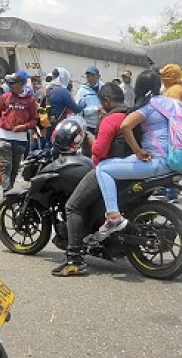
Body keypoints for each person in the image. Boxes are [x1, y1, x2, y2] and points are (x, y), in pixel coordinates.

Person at [52, 83, 131, 277]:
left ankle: (74, 259)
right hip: (129, 169)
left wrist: (91, 141)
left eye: (102, 102)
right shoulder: (130, 115)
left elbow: (99, 151)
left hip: (107, 170)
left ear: (106, 101)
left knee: (72, 206)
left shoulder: (111, 119)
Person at [94, 71, 180, 239]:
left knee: (104, 169)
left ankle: (113, 217)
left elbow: (125, 126)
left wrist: (138, 151)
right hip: (175, 160)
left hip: (156, 161)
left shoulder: (149, 107)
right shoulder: (174, 104)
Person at [0, 73, 39, 192]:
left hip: (20, 139)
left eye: (12, 83)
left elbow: (34, 120)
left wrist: (23, 126)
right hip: (3, 136)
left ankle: (9, 192)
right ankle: (7, 193)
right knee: (6, 167)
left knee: (15, 169)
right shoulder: (5, 97)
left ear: (20, 84)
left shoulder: (30, 100)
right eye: (8, 83)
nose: (9, 86)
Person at [75, 66, 104, 135]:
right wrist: (96, 109)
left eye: (92, 76)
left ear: (98, 76)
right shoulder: (82, 90)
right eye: (88, 76)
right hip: (87, 125)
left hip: (101, 125)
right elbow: (79, 111)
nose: (90, 78)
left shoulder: (104, 88)